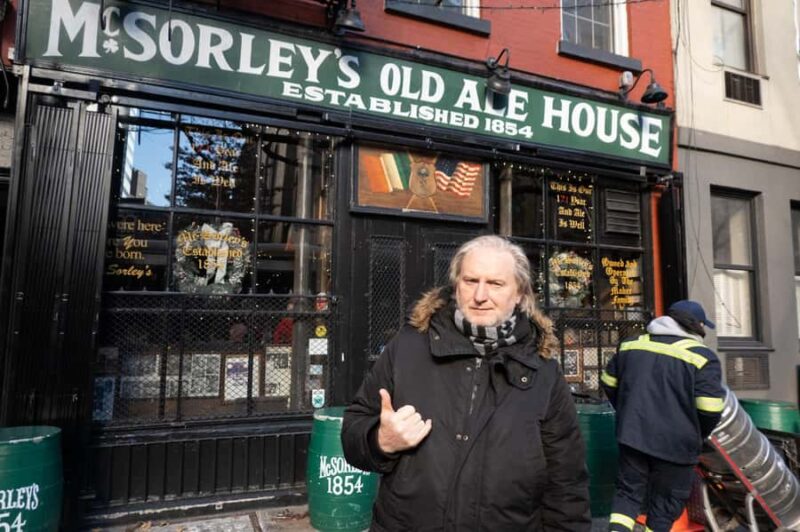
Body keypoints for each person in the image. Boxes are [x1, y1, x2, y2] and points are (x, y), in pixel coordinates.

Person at [341, 235, 591, 531]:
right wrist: (380, 441)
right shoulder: (408, 346)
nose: (480, 295)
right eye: (470, 281)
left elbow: (567, 486)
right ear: (456, 286)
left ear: (520, 294)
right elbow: (353, 430)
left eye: (496, 284)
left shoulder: (544, 372)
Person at [601, 300, 725, 532]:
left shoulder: (630, 345)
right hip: (676, 447)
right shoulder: (702, 357)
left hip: (633, 437)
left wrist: (629, 413)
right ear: (695, 326)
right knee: (664, 506)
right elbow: (710, 410)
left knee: (627, 496)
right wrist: (697, 434)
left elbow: (608, 383)